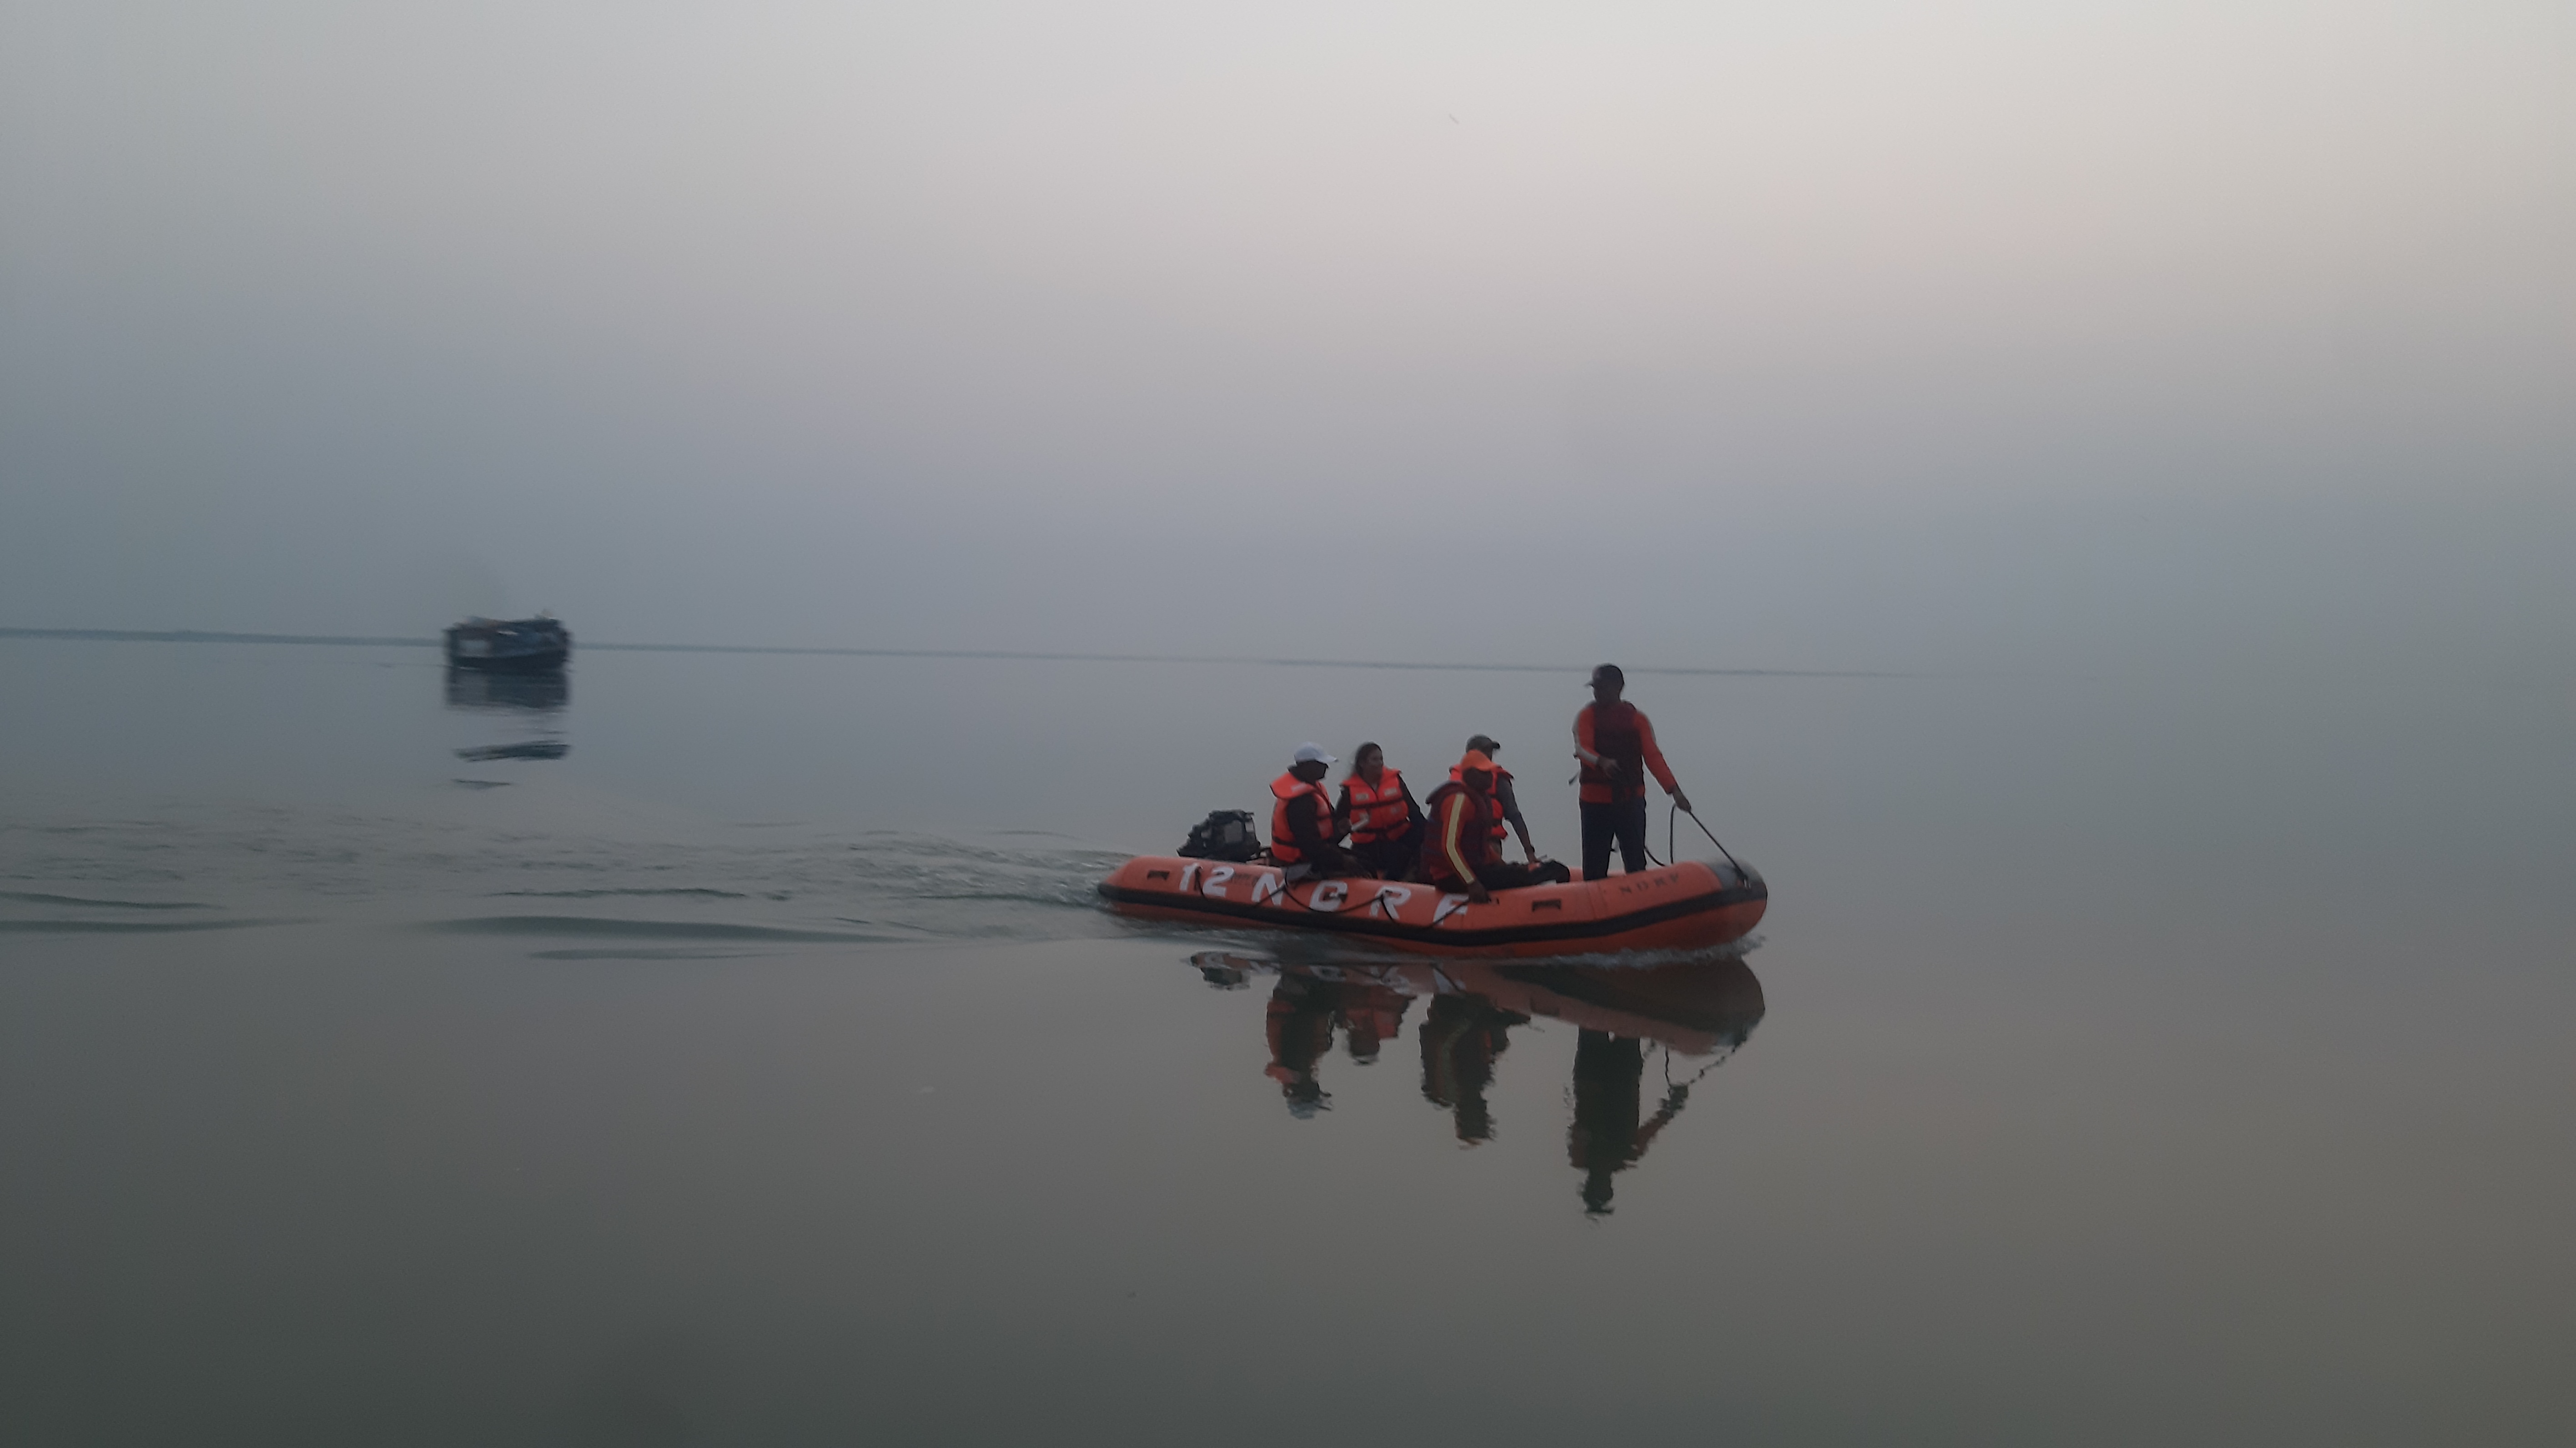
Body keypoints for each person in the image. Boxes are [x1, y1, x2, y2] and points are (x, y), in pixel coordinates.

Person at [1573, 664, 1691, 881]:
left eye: (1603, 687)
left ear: (1619, 687)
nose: (1597, 692)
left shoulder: (1638, 720)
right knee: (1594, 865)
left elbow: (1654, 758)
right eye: (1595, 688)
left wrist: (1675, 791)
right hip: (1595, 804)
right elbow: (1582, 749)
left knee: (1635, 862)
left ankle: (1640, 901)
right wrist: (1602, 763)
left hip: (1630, 801)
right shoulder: (1587, 716)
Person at [1419, 750, 1570, 901]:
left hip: (1474, 869)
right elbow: (1450, 847)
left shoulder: (1479, 800)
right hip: (1450, 877)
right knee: (1539, 872)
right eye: (1484, 773)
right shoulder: (1459, 800)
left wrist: (1502, 866)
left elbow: (1480, 846)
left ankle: (1556, 876)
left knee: (1518, 871)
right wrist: (1472, 883)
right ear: (1471, 775)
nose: (1490, 777)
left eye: (1489, 772)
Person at [1270, 743, 1363, 879]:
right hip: (1300, 864)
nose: (1327, 767)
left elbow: (1321, 835)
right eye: (1322, 764)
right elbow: (1310, 845)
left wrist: (1340, 831)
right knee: (1360, 866)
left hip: (1313, 855)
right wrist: (1343, 860)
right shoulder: (1301, 801)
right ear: (1307, 766)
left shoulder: (1313, 788)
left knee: (1364, 858)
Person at [1336, 742, 1422, 881]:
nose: (1380, 763)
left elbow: (1414, 811)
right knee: (1393, 856)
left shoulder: (1395, 780)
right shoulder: (1350, 791)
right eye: (1375, 760)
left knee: (1411, 849)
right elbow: (1339, 822)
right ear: (1363, 764)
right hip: (1368, 845)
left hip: (1400, 837)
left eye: (1381, 759)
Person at [1452, 733, 1541, 864]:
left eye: (1490, 752)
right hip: (1470, 844)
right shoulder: (1498, 780)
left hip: (1477, 843)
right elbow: (1515, 815)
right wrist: (1530, 853)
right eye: (1485, 751)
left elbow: (1514, 816)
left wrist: (1529, 852)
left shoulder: (1497, 780)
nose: (1489, 756)